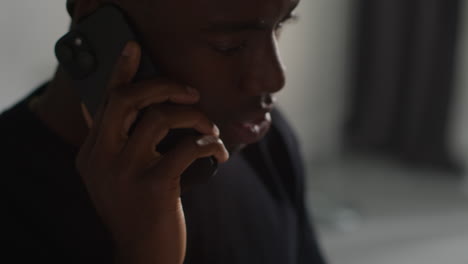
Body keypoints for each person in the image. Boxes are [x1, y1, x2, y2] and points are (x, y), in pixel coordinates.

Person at [1, 0, 326, 263]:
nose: (274, 79)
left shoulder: (265, 142)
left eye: (280, 24)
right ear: (98, 21)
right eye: (229, 45)